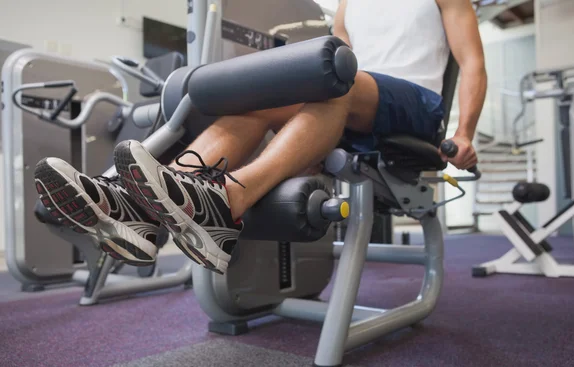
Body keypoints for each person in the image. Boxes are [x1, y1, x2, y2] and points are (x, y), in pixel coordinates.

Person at [34, 0, 487, 274]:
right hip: (355, 104)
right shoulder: (350, 3)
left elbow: (471, 63)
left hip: (416, 109)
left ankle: (226, 201)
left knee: (336, 81)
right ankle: (145, 211)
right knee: (260, 97)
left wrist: (465, 131)